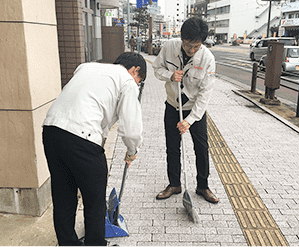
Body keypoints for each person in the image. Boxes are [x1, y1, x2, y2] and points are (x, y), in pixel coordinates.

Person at [42, 52, 146, 246]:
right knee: (94, 200)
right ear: (135, 70)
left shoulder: (86, 67)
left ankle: (67, 243)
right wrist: (132, 151)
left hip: (51, 130)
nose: (137, 84)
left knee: (63, 195)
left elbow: (91, 108)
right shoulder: (127, 81)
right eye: (139, 80)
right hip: (82, 138)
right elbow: (131, 128)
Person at [152, 17, 219, 204]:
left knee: (202, 148)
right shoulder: (169, 48)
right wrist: (170, 76)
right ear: (181, 38)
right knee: (172, 147)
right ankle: (174, 184)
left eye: (196, 46)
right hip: (173, 106)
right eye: (188, 45)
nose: (191, 50)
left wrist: (189, 121)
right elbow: (156, 69)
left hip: (194, 110)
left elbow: (205, 95)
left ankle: (203, 186)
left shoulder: (207, 59)